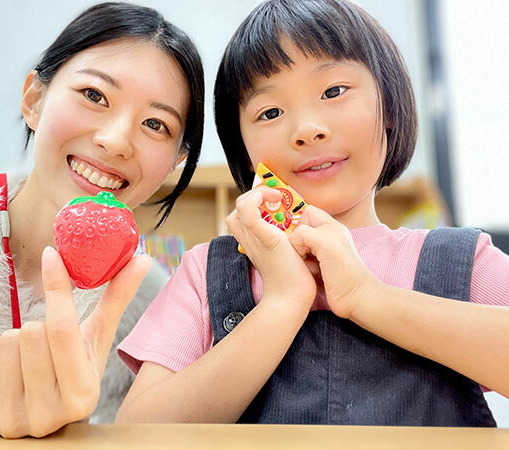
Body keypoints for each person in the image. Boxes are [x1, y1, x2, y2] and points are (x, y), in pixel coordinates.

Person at [114, 0, 509, 426]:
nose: (306, 129)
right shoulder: (204, 271)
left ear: (390, 106)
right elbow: (141, 431)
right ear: (244, 153)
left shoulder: (463, 261)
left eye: (334, 91)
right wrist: (283, 301)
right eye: (270, 112)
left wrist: (366, 297)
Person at [0, 1, 204, 437]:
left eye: (156, 124)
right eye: (94, 95)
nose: (116, 140)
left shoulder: (154, 305)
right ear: (34, 99)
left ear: (175, 163)